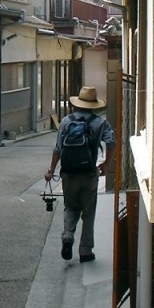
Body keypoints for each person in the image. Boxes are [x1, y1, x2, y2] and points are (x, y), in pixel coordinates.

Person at [44, 85, 115, 263]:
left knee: (71, 207)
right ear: (94, 105)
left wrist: (51, 170)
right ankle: (85, 251)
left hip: (68, 173)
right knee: (88, 212)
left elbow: (58, 149)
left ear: (77, 103)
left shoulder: (66, 122)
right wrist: (106, 164)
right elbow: (111, 142)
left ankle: (68, 235)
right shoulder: (100, 123)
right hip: (89, 173)